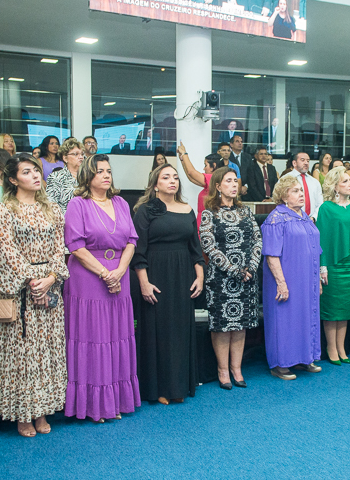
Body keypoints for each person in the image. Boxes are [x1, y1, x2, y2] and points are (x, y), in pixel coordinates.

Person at [0, 155, 68, 437]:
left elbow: (61, 248)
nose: (35, 175)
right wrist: (34, 280)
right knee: (22, 354)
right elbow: (7, 251)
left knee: (48, 351)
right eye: (26, 171)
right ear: (12, 179)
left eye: (36, 170)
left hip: (50, 288)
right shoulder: (2, 210)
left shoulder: (53, 209)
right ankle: (23, 413)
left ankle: (44, 410)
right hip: (20, 291)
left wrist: (51, 278)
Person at [64, 154, 140, 421]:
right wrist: (105, 273)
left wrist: (119, 271)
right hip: (88, 277)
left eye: (108, 171)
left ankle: (116, 401)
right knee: (94, 338)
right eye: (100, 172)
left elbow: (131, 240)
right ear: (88, 176)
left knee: (117, 336)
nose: (106, 175)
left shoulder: (120, 202)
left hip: (120, 274)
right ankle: (94, 406)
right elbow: (75, 246)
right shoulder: (78, 204)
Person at [132, 165, 205, 403]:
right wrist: (143, 282)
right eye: (166, 177)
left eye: (175, 177)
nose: (172, 181)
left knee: (180, 331)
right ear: (155, 184)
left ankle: (179, 385)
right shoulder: (145, 210)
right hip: (156, 275)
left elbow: (195, 248)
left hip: (183, 276)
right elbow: (138, 250)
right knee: (159, 331)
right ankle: (159, 388)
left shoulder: (187, 209)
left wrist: (200, 276)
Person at [200, 167, 262, 388]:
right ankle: (223, 370)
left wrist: (252, 267)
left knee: (240, 325)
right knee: (223, 326)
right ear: (217, 186)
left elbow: (257, 240)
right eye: (228, 181)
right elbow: (208, 245)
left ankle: (237, 368)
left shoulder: (245, 211)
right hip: (222, 279)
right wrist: (235, 270)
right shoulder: (209, 213)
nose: (234, 185)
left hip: (247, 277)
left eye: (236, 181)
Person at [261, 175, 322, 379]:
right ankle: (281, 363)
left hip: (306, 279)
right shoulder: (276, 218)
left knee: (305, 316)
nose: (301, 194)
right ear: (284, 196)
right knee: (285, 319)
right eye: (295, 191)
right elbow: (271, 254)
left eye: (301, 191)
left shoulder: (303, 216)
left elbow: (315, 249)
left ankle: (304, 358)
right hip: (287, 278)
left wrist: (317, 279)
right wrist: (281, 283)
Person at [317, 166, 350, 364]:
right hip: (333, 264)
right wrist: (323, 266)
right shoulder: (326, 208)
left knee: (345, 309)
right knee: (332, 309)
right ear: (335, 186)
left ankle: (342, 348)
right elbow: (323, 240)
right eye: (345, 181)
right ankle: (331, 348)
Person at [177, 145, 221, 227]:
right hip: (202, 220)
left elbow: (192, 172)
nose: (204, 168)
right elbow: (191, 177)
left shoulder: (213, 179)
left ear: (214, 166)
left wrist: (184, 153)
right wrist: (182, 160)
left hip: (208, 223)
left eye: (206, 165)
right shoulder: (210, 181)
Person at [46, 137, 85, 213]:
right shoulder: (55, 177)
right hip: (66, 220)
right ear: (65, 158)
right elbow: (51, 205)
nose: (81, 157)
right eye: (75, 154)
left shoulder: (89, 176)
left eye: (82, 154)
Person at [291, 151, 323, 219]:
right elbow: (282, 203)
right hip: (292, 220)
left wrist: (313, 217)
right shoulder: (285, 180)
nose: (306, 163)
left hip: (312, 221)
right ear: (294, 163)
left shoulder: (314, 182)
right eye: (302, 160)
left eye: (308, 161)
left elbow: (320, 203)